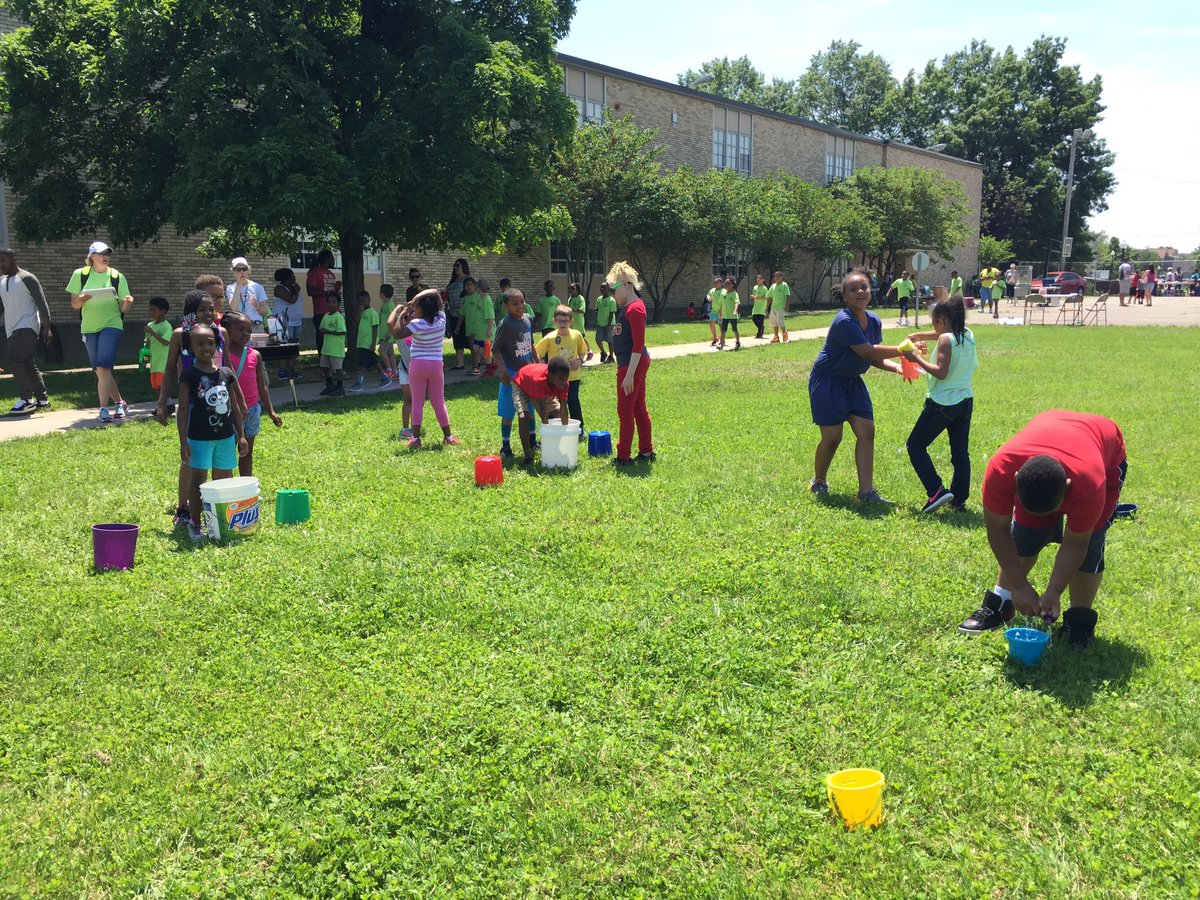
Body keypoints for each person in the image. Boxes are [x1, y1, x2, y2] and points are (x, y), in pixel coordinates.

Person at [958, 411, 1127, 650]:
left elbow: (1076, 543)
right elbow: (998, 529)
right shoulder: (1001, 469)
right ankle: (1001, 603)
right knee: (1026, 533)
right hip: (1052, 430)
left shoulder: (1090, 485)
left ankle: (1079, 621)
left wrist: (1054, 592)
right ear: (1016, 479)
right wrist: (1018, 585)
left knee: (1091, 543)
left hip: (1103, 447)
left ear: (1068, 487)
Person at [808, 268, 905, 504]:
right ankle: (818, 481)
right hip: (828, 381)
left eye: (864, 287)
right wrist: (904, 350)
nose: (860, 292)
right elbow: (867, 350)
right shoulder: (843, 321)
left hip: (853, 381)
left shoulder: (874, 320)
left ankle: (866, 492)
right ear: (845, 295)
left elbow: (873, 358)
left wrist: (897, 367)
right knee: (832, 438)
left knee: (866, 431)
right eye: (853, 289)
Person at [155, 290, 228, 526]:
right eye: (202, 309)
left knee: (220, 457)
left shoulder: (220, 332)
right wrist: (162, 401)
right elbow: (168, 370)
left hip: (218, 406)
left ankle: (216, 507)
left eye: (211, 308)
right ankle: (184, 507)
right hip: (192, 406)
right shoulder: (181, 335)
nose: (208, 313)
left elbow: (227, 368)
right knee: (190, 458)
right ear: (191, 311)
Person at [902, 297, 978, 513]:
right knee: (960, 453)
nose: (933, 327)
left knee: (915, 445)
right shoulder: (968, 334)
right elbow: (941, 334)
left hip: (943, 404)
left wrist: (915, 357)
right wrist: (919, 335)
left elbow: (940, 372)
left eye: (934, 321)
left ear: (942, 319)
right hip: (965, 401)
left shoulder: (946, 340)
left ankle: (936, 491)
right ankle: (958, 500)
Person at [176, 324, 248, 542]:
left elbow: (234, 406)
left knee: (224, 481)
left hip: (225, 439)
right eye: (200, 343)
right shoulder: (189, 375)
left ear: (217, 345)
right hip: (199, 439)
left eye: (210, 343)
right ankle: (196, 524)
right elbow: (182, 412)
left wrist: (241, 435)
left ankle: (221, 522)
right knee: (199, 482)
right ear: (190, 347)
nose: (206, 347)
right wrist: (183, 442)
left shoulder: (226, 373)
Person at [67, 241, 134, 425]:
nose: (105, 256)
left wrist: (127, 302)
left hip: (112, 325)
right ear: (92, 257)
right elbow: (74, 305)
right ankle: (120, 403)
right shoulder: (80, 275)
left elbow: (124, 307)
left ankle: (103, 410)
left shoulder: (116, 276)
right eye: (101, 253)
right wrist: (82, 297)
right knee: (100, 371)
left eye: (107, 253)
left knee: (104, 367)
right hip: (88, 328)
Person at [394, 289, 460, 448]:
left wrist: (402, 315)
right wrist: (418, 298)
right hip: (436, 365)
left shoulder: (416, 324)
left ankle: (416, 440)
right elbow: (436, 294)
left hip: (418, 365)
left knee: (417, 402)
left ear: (421, 310)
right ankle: (448, 436)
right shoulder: (441, 320)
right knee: (439, 402)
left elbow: (397, 333)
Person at [221, 311, 282, 476]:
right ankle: (229, 488)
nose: (246, 334)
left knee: (246, 451)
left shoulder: (255, 355)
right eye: (240, 329)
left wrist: (271, 411)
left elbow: (262, 386)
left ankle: (246, 487)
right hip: (230, 411)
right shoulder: (222, 356)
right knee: (227, 455)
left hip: (253, 410)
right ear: (225, 329)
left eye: (248, 330)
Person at [606, 261, 654, 466]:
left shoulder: (635, 309)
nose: (612, 294)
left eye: (614, 289)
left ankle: (623, 456)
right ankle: (646, 451)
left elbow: (638, 345)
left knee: (625, 410)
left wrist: (629, 374)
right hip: (631, 362)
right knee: (637, 408)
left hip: (631, 363)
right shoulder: (628, 307)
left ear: (626, 285)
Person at [0, 249, 53, 413]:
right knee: (27, 361)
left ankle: (26, 400)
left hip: (28, 326)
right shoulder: (1, 281)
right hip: (12, 328)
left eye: (3, 261)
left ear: (13, 259)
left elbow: (42, 304)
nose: (1, 265)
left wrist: (47, 328)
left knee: (13, 359)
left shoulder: (27, 278)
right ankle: (42, 399)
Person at [493, 288, 537, 457]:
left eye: (522, 302)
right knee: (509, 411)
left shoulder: (528, 319)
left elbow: (531, 344)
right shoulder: (505, 324)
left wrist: (538, 364)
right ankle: (506, 445)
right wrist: (503, 370)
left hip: (528, 372)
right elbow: (496, 350)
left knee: (530, 408)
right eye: (515, 304)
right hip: (511, 374)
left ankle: (533, 440)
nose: (520, 306)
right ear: (506, 306)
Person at [536, 304, 589, 438]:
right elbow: (537, 354)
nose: (563, 323)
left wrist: (579, 361)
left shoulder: (576, 335)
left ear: (571, 321)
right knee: (554, 405)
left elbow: (584, 352)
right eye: (560, 321)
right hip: (553, 380)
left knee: (573, 401)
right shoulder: (549, 337)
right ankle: (556, 429)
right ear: (554, 321)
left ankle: (579, 429)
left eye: (566, 321)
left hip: (573, 377)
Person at [510, 358, 571, 465]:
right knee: (523, 416)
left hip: (539, 387)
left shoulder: (563, 383)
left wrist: (566, 434)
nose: (564, 381)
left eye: (566, 378)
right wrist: (547, 437)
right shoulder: (540, 380)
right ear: (551, 376)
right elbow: (544, 411)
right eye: (561, 378)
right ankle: (528, 455)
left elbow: (563, 408)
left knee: (557, 413)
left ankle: (555, 447)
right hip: (522, 383)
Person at [385, 302, 415, 439]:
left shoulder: (420, 331)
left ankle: (416, 427)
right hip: (404, 369)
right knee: (408, 399)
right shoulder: (400, 334)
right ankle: (405, 428)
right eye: (410, 315)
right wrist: (398, 309)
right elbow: (389, 322)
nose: (414, 317)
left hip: (418, 370)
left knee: (416, 400)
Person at [456, 275, 494, 377]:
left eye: (471, 285)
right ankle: (489, 363)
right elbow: (462, 314)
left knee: (482, 349)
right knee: (476, 348)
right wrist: (458, 327)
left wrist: (489, 329)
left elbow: (491, 316)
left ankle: (485, 367)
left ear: (477, 288)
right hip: (476, 330)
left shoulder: (485, 298)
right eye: (467, 285)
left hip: (483, 331)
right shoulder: (474, 298)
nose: (469, 287)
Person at [349, 290, 383, 392]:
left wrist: (373, 343)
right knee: (373, 361)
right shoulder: (362, 313)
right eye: (359, 302)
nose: (361, 303)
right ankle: (385, 377)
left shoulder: (372, 313)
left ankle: (359, 382)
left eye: (363, 301)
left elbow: (375, 329)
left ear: (369, 300)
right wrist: (359, 312)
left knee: (363, 363)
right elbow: (355, 324)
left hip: (367, 342)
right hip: (361, 341)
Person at [272, 267, 303, 380]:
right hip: (284, 321)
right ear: (288, 278)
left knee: (294, 346)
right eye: (293, 276)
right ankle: (282, 371)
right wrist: (296, 290)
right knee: (285, 345)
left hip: (297, 321)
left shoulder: (294, 288)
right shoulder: (279, 289)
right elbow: (291, 299)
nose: (294, 278)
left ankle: (292, 370)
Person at [306, 249, 339, 355]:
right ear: (328, 259)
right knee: (322, 339)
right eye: (333, 258)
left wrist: (336, 290)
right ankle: (323, 363)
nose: (334, 261)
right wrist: (328, 292)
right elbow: (310, 291)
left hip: (334, 312)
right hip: (321, 312)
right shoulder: (315, 272)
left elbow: (332, 293)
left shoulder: (331, 274)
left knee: (333, 337)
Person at [144, 297, 173, 404]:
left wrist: (152, 333)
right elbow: (147, 343)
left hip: (163, 361)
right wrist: (145, 359)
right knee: (156, 386)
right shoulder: (150, 325)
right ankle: (162, 405)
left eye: (154, 310)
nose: (151, 312)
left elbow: (166, 342)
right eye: (150, 310)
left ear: (163, 311)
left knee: (162, 386)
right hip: (154, 361)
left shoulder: (166, 326)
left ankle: (167, 405)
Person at [225, 258, 269, 327]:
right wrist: (239, 285)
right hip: (239, 326)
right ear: (234, 271)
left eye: (244, 269)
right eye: (238, 269)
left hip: (256, 326)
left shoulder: (257, 287)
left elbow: (265, 312)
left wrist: (258, 307)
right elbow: (233, 308)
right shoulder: (230, 288)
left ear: (248, 270)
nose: (242, 272)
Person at [444, 258, 471, 370]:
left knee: (470, 338)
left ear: (463, 266)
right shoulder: (452, 282)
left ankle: (479, 361)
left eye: (458, 265)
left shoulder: (469, 279)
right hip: (454, 313)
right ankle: (460, 363)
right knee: (457, 338)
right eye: (454, 266)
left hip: (467, 314)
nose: (456, 268)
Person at [318, 293, 347, 396]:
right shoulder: (326, 316)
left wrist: (328, 331)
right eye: (329, 302)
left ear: (338, 304)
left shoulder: (338, 317)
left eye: (333, 302)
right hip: (326, 348)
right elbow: (321, 328)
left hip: (336, 348)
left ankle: (340, 386)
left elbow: (342, 331)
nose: (331, 304)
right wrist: (323, 330)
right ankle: (330, 384)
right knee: (324, 366)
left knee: (337, 368)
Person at [377, 283, 398, 385]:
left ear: (383, 293)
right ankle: (395, 371)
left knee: (381, 350)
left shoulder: (389, 305)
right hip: (384, 334)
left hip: (387, 335)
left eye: (380, 291)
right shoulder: (384, 305)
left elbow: (393, 319)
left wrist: (390, 332)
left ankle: (389, 369)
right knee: (390, 353)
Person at [594, 282, 617, 364]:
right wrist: (596, 311)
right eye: (601, 288)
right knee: (598, 339)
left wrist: (609, 324)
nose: (602, 289)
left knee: (610, 341)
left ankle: (611, 356)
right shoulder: (599, 299)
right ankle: (603, 352)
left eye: (604, 288)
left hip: (609, 324)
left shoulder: (612, 301)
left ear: (608, 289)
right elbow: (597, 309)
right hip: (600, 323)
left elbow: (611, 313)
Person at [766, 271, 790, 343]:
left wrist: (786, 306)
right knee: (774, 322)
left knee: (780, 321)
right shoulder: (773, 286)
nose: (777, 278)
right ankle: (776, 337)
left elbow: (787, 296)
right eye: (775, 277)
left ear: (781, 277)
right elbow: (770, 297)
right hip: (774, 307)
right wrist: (767, 306)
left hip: (781, 307)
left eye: (778, 276)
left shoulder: (784, 285)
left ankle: (784, 333)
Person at [718, 276, 741, 351]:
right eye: (726, 283)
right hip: (725, 316)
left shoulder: (734, 294)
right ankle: (721, 344)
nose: (727, 285)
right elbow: (721, 304)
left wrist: (735, 311)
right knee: (723, 330)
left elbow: (736, 303)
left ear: (733, 285)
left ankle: (737, 342)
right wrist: (720, 314)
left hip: (733, 316)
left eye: (729, 283)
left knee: (734, 329)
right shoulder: (723, 294)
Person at [750, 273, 769, 339]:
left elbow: (766, 298)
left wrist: (759, 297)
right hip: (756, 307)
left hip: (762, 307)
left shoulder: (764, 288)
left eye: (760, 278)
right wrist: (753, 296)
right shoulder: (755, 287)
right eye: (758, 278)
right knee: (754, 319)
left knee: (761, 320)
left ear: (763, 280)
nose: (758, 279)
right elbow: (753, 295)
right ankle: (762, 328)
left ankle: (759, 334)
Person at [704, 277, 721, 347]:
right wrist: (708, 297)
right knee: (711, 324)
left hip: (721, 311)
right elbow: (708, 295)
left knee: (721, 325)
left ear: (721, 283)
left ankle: (723, 339)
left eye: (717, 283)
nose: (716, 284)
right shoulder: (712, 290)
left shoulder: (723, 291)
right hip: (714, 310)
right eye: (715, 283)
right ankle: (715, 338)